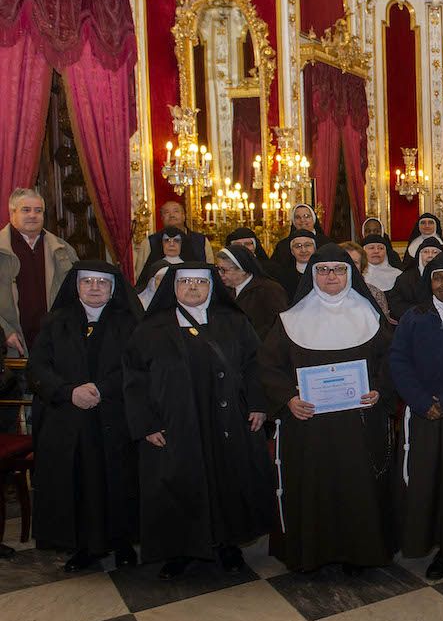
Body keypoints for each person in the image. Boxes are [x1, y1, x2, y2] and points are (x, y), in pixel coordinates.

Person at [123, 265, 273, 579]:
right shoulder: (150, 328)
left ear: (211, 286)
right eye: (186, 281)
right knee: (178, 483)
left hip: (227, 419)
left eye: (200, 282)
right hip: (174, 423)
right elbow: (134, 380)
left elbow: (255, 366)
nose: (193, 288)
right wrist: (147, 423)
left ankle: (228, 546)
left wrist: (258, 405)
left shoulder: (234, 321)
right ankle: (180, 550)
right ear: (172, 287)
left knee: (227, 481)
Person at [257, 245, 395, 574]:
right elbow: (267, 367)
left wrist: (379, 389)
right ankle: (311, 554)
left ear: (350, 274)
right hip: (307, 425)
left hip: (359, 423)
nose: (331, 276)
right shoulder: (290, 320)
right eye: (323, 270)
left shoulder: (371, 316)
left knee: (358, 485)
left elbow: (391, 362)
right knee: (312, 487)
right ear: (312, 275)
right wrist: (288, 398)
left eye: (338, 269)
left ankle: (362, 553)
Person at [28, 262, 140, 572]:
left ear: (113, 288)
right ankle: (83, 546)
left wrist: (102, 389)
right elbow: (37, 368)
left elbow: (139, 367)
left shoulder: (130, 323)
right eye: (87, 282)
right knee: (79, 483)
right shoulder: (55, 321)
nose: (93, 287)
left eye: (101, 283)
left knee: (118, 481)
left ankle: (123, 542)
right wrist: (68, 392)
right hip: (68, 418)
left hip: (115, 417)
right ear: (76, 287)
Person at [0, 188, 79, 359]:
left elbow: (77, 294)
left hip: (56, 344)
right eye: (26, 210)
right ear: (12, 213)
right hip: (11, 345)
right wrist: (4, 332)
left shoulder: (62, 250)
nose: (33, 215)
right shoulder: (2, 249)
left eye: (38, 210)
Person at [216, 245, 289, 341]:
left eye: (224, 270)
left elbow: (278, 328)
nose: (220, 274)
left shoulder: (269, 290)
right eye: (218, 269)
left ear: (242, 270)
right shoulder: (226, 290)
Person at [132, 201, 214, 277]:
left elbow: (210, 271)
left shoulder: (201, 241)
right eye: (167, 212)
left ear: (184, 216)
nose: (171, 215)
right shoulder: (150, 242)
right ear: (162, 218)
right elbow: (141, 275)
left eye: (176, 211)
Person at [387, 237, 443, 320]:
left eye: (435, 252)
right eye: (426, 252)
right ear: (419, 255)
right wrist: (420, 313)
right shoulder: (404, 279)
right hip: (413, 322)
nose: (430, 255)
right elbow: (396, 304)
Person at [342, 241, 394, 323]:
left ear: (361, 267)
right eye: (346, 262)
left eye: (355, 262)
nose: (350, 266)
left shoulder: (376, 294)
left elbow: (384, 327)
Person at [275, 230, 317, 301]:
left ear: (314, 248)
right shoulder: (282, 276)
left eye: (307, 245)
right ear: (292, 251)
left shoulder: (323, 272)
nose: (303, 250)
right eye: (298, 246)